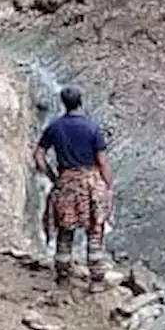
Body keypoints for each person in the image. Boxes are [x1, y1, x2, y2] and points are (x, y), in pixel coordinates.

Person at [33, 86, 114, 288]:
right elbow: (102, 161)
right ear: (81, 101)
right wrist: (108, 186)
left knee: (65, 230)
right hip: (91, 184)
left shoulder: (55, 127)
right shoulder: (92, 127)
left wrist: (52, 176)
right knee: (95, 231)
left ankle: (62, 277)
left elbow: (38, 154)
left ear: (63, 103)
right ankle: (96, 281)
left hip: (66, 183)